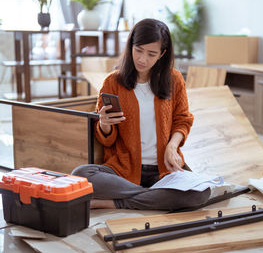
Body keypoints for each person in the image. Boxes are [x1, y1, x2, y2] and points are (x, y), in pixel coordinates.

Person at [72, 18, 210, 211]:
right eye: (138, 50)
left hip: (164, 170)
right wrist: (104, 124)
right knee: (81, 174)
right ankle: (152, 196)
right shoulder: (113, 82)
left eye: (151, 54)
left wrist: (172, 146)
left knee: (201, 193)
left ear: (162, 54)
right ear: (130, 46)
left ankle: (118, 202)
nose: (142, 59)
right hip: (122, 171)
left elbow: (183, 120)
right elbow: (107, 141)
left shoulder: (174, 79)